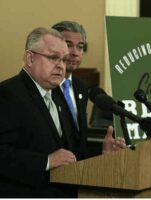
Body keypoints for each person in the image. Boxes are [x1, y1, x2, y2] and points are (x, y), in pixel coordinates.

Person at [0, 27, 126, 198]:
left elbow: (69, 153)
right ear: (30, 58)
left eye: (64, 59)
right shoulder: (8, 94)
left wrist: (102, 155)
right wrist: (46, 162)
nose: (61, 66)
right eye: (53, 58)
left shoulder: (58, 95)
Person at [51, 21, 124, 156]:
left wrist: (104, 152)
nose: (75, 53)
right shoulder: (44, 88)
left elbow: (79, 145)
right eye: (68, 45)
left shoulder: (81, 88)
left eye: (80, 47)